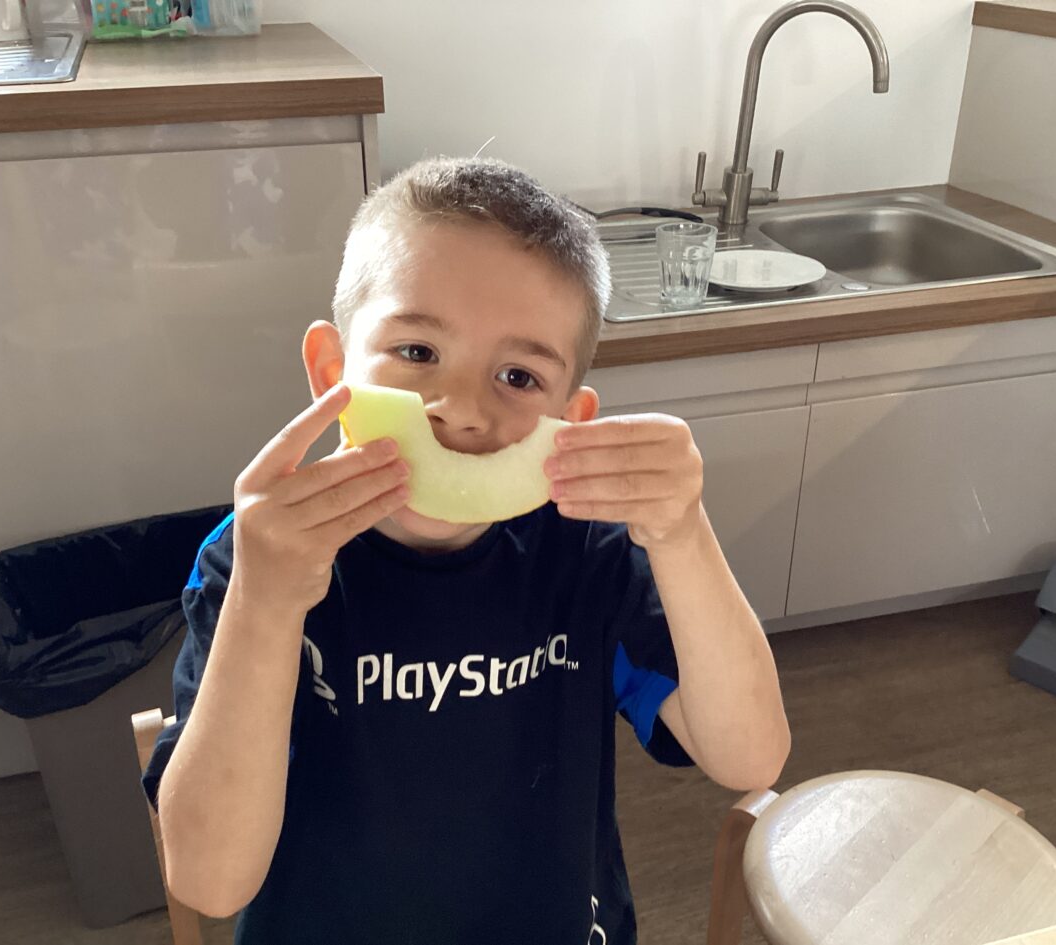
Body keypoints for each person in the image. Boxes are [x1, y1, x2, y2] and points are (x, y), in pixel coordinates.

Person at [142, 155, 791, 945]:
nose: (461, 410)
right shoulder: (257, 560)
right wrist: (266, 603)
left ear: (570, 420)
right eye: (418, 352)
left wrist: (682, 533)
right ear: (330, 372)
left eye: (517, 375)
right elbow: (208, 879)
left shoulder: (587, 547)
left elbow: (750, 757)